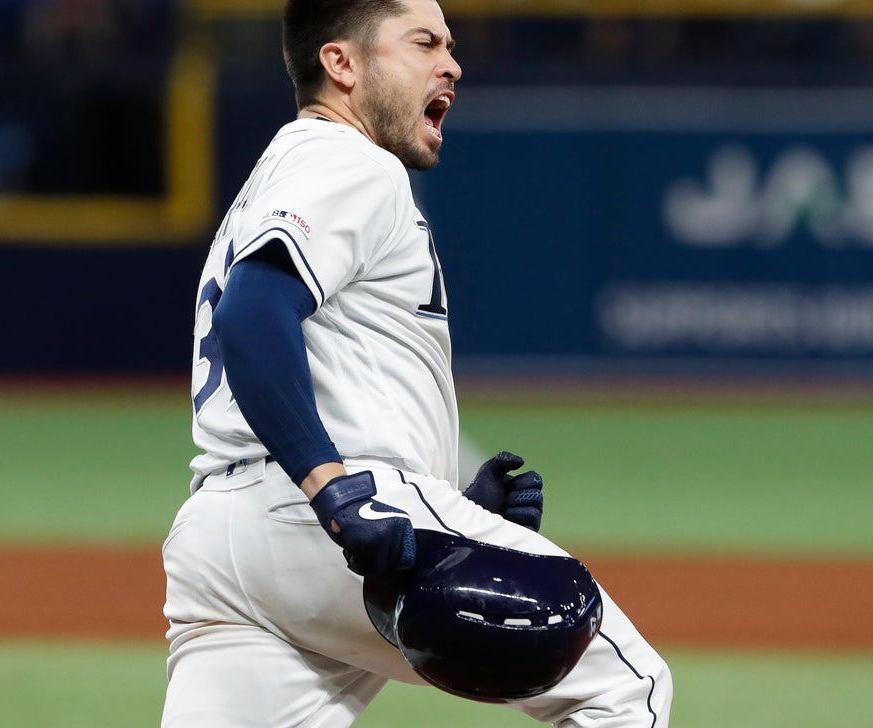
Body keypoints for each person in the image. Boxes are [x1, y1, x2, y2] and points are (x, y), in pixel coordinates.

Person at [161, 1, 673, 725]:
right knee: (627, 688)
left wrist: (453, 502)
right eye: (424, 42)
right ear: (341, 64)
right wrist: (333, 490)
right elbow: (252, 315)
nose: (452, 63)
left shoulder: (278, 173)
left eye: (451, 45)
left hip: (224, 538)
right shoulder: (349, 162)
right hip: (331, 517)